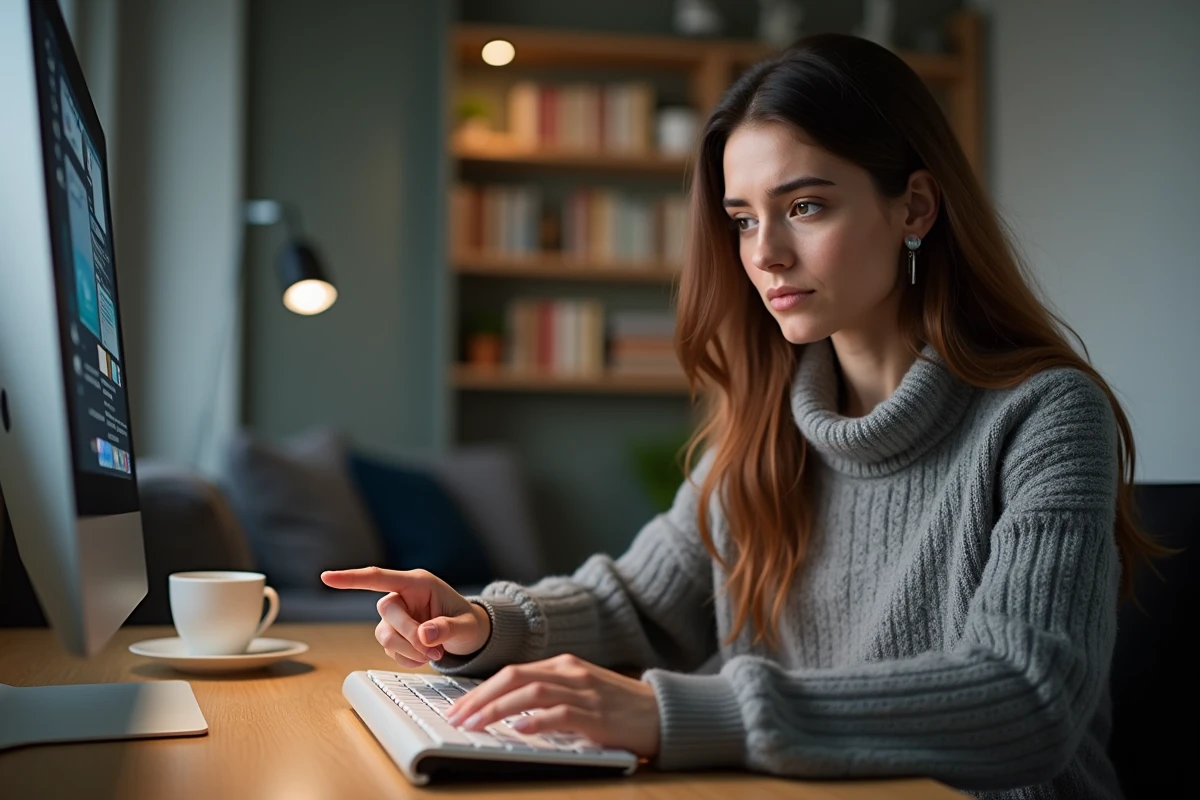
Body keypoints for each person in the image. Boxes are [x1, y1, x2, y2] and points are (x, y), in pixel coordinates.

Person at [322, 32, 1165, 798]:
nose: (764, 254)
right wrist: (481, 625)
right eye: (741, 219)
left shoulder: (1047, 415)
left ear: (914, 207)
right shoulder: (768, 420)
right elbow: (638, 606)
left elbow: (1025, 697)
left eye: (805, 206)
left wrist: (675, 713)